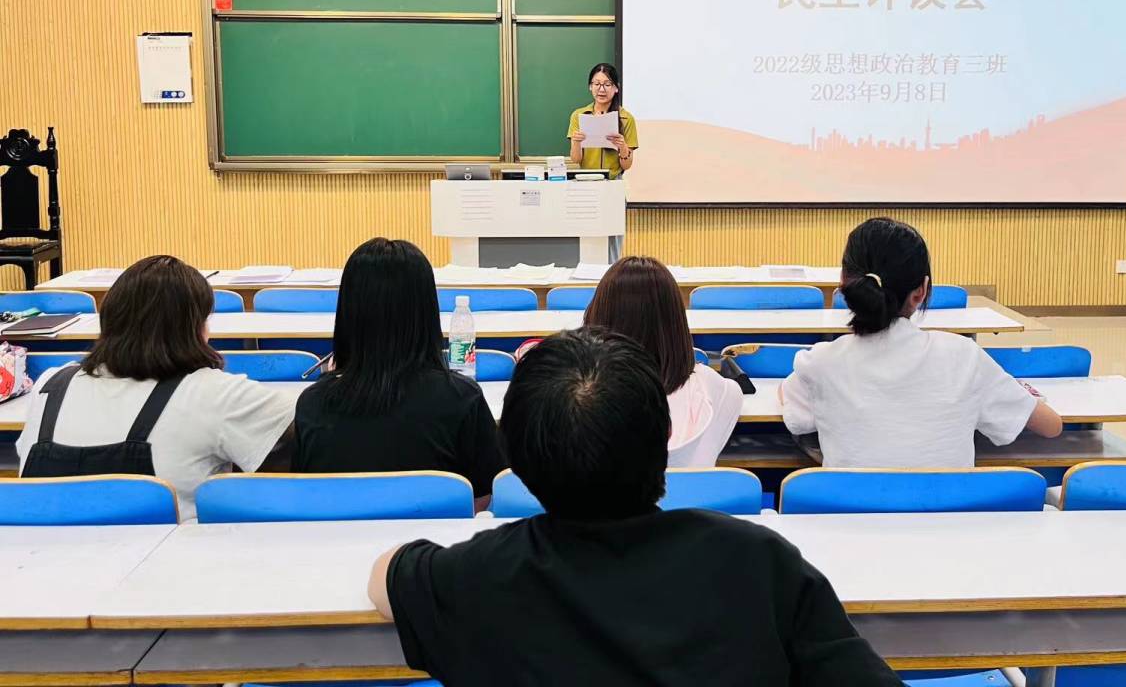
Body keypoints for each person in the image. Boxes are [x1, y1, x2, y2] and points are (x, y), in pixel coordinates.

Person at [368, 329, 904, 687]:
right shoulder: (759, 562)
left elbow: (385, 576)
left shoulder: (476, 574)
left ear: (517, 456)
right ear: (664, 436)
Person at [16, 255, 295, 521]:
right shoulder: (215, 393)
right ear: (193, 327)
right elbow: (307, 424)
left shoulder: (50, 385)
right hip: (172, 553)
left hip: (39, 552)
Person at [781, 218, 1063, 469]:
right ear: (922, 291)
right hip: (951, 510)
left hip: (849, 510)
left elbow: (796, 416)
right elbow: (1051, 426)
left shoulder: (821, 361)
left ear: (843, 284)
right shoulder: (963, 355)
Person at [291, 238, 504, 509]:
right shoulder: (462, 398)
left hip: (339, 535)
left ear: (348, 311)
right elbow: (484, 496)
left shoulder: (313, 403)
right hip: (436, 536)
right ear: (427, 311)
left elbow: (306, 494)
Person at [583, 256, 742, 466]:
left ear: (596, 319)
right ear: (676, 322)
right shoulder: (722, 392)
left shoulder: (565, 398)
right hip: (687, 489)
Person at [566, 62, 638, 180]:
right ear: (590, 86)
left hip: (613, 180)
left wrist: (623, 147)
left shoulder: (626, 118)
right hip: (586, 179)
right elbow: (575, 159)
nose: (601, 89)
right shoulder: (578, 115)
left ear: (616, 88)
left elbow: (627, 166)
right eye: (597, 84)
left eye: (607, 84)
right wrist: (577, 143)